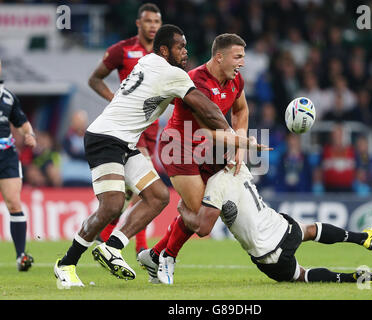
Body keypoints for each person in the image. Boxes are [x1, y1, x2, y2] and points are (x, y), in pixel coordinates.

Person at [54, 24, 268, 288]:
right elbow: (208, 110)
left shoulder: (148, 62)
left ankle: (113, 247)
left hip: (126, 141)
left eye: (186, 46)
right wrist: (237, 140)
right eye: (180, 47)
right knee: (112, 205)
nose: (185, 52)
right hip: (105, 138)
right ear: (164, 50)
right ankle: (66, 264)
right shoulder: (173, 75)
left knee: (158, 196)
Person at [145, 163, 372, 285]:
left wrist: (182, 208)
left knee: (302, 276)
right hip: (280, 226)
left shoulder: (215, 186)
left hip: (270, 254)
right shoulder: (237, 165)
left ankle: (354, 278)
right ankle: (361, 238)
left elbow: (202, 228)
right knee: (310, 230)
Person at [138, 33, 251, 285]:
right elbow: (207, 128)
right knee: (200, 212)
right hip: (179, 146)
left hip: (208, 148)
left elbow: (241, 109)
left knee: (206, 215)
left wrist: (240, 146)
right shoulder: (196, 81)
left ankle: (156, 255)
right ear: (219, 57)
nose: (242, 62)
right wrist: (238, 142)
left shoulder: (235, 80)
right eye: (238, 57)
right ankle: (167, 256)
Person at [88, 3, 162, 254]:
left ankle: (106, 236)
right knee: (146, 188)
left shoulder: (163, 54)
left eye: (156, 22)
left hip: (151, 128)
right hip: (128, 128)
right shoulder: (123, 50)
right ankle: (140, 248)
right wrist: (114, 99)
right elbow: (94, 78)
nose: (153, 26)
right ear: (139, 24)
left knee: (135, 189)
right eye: (148, 21)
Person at [0, 59, 37, 271]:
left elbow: (21, 122)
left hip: (6, 155)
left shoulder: (7, 96)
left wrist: (29, 134)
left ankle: (21, 256)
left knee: (14, 204)